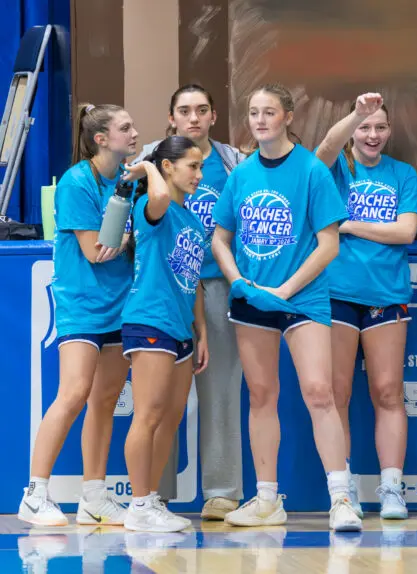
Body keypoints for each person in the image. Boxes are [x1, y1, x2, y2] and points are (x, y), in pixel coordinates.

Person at [211, 83, 360, 531]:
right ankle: (266, 500)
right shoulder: (240, 175)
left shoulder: (312, 171)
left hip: (304, 297)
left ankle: (341, 499)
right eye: (254, 112)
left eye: (269, 112)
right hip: (253, 298)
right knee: (261, 395)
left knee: (319, 392)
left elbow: (329, 244)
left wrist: (287, 289)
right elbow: (220, 237)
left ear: (288, 117)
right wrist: (237, 279)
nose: (260, 120)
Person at [18, 104, 137, 527]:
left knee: (104, 401)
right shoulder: (75, 182)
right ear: (101, 138)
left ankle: (94, 495)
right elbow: (96, 251)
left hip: (121, 307)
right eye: (125, 127)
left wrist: (125, 234)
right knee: (72, 394)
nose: (135, 132)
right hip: (83, 305)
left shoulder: (129, 179)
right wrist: (129, 234)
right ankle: (34, 493)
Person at [134, 84, 248, 520]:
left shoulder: (232, 161)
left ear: (214, 116)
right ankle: (153, 494)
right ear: (171, 117)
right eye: (185, 110)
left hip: (216, 287)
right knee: (160, 401)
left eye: (202, 110)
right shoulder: (149, 160)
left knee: (221, 390)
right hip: (164, 291)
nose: (194, 118)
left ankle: (221, 491)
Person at [315, 94, 417, 520]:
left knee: (387, 391)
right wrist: (354, 114)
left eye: (380, 127)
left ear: (390, 131)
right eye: (365, 127)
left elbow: (405, 232)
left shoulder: (403, 174)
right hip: (337, 294)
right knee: (337, 393)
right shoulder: (335, 170)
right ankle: (342, 492)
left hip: (386, 295)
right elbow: (324, 149)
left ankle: (392, 488)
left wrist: (346, 224)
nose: (372, 135)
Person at [119, 136, 209, 532]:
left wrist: (201, 331)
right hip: (150, 320)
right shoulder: (150, 207)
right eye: (192, 166)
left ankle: (150, 498)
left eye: (201, 167)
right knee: (149, 415)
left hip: (180, 329)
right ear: (169, 167)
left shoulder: (192, 220)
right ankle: (138, 504)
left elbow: (195, 283)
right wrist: (148, 165)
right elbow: (157, 193)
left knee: (170, 419)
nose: (199, 175)